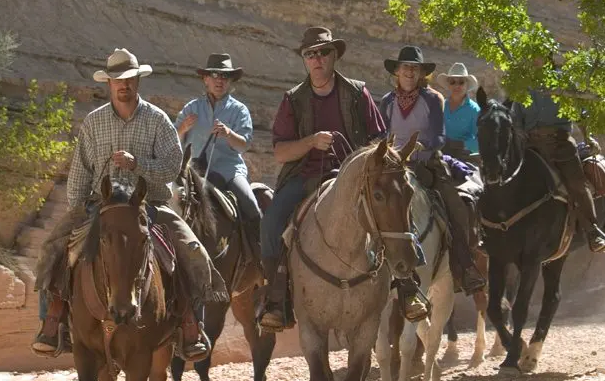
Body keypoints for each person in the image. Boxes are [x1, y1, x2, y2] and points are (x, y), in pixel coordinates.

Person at [31, 48, 227, 360]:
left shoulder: (157, 120)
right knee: (52, 247)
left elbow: (174, 166)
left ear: (137, 80)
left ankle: (191, 325)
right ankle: (52, 322)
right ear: (108, 83)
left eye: (129, 79)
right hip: (101, 205)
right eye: (117, 80)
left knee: (193, 250)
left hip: (149, 204)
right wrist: (78, 209)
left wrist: (139, 166)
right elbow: (81, 170)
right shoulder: (93, 123)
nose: (124, 84)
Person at [259, 27, 428, 331]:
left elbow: (380, 139)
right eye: (311, 54)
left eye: (323, 52)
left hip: (358, 176)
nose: (317, 59)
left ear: (334, 55)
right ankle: (276, 298)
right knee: (271, 223)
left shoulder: (356, 92)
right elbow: (281, 152)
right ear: (305, 60)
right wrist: (311, 141)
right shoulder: (293, 99)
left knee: (396, 209)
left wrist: (369, 163)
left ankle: (408, 287)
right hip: (305, 176)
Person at [379, 46, 484, 297]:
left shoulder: (433, 99)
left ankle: (465, 266)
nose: (409, 72)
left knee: (456, 205)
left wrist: (420, 148)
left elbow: (439, 136)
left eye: (414, 68)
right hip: (394, 167)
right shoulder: (386, 102)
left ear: (421, 73)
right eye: (405, 67)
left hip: (427, 165)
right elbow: (381, 136)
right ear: (397, 71)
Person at [176, 53, 261, 258]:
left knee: (251, 206)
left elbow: (245, 144)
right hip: (193, 172)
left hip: (229, 171)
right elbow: (173, 138)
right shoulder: (192, 107)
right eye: (214, 75)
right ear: (205, 79)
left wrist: (228, 134)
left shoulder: (239, 110)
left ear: (230, 81)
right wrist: (182, 128)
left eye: (224, 76)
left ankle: (259, 257)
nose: (219, 80)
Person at [512, 87, 605, 252]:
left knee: (576, 183)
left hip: (560, 143)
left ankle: (592, 230)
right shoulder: (522, 84)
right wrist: (519, 133)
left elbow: (580, 113)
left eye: (539, 58)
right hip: (531, 146)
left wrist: (587, 137)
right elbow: (516, 120)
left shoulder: (562, 82)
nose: (535, 60)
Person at [437, 62, 480, 158]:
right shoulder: (440, 106)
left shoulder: (475, 110)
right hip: (440, 155)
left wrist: (460, 144)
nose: (457, 86)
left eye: (461, 82)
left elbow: (481, 140)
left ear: (467, 85)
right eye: (452, 82)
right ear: (448, 85)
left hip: (464, 158)